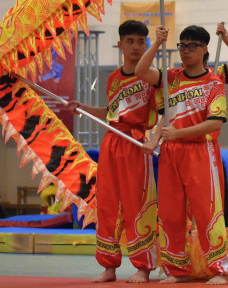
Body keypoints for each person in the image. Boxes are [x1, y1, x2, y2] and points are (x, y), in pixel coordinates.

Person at [66, 19, 160, 284]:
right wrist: (83, 108)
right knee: (107, 204)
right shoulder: (113, 78)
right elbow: (111, 114)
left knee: (137, 204)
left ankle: (143, 267)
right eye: (130, 41)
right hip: (111, 143)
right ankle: (109, 265)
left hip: (136, 143)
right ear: (120, 44)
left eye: (141, 41)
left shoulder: (152, 77)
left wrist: (156, 139)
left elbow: (163, 112)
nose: (136, 46)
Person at [138, 25, 228, 285]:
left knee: (206, 210)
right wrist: (157, 43)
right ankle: (177, 269)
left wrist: (179, 133)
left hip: (201, 151)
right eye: (182, 45)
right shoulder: (170, 78)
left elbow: (215, 123)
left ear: (204, 49)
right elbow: (141, 71)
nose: (185, 50)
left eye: (192, 46)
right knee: (170, 212)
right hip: (171, 152)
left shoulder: (214, 82)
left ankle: (219, 269)